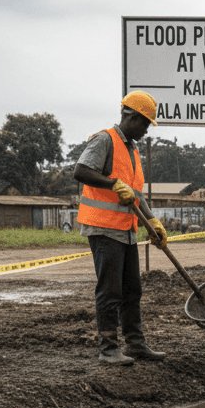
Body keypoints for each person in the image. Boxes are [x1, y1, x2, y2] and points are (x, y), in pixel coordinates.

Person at [73, 91, 167, 365]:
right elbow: (81, 170)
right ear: (131, 117)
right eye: (145, 123)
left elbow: (135, 193)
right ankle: (109, 349)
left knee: (132, 290)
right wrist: (112, 183)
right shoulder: (105, 140)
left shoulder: (132, 150)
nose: (146, 130)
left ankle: (136, 344)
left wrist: (152, 221)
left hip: (126, 231)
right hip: (103, 229)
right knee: (110, 291)